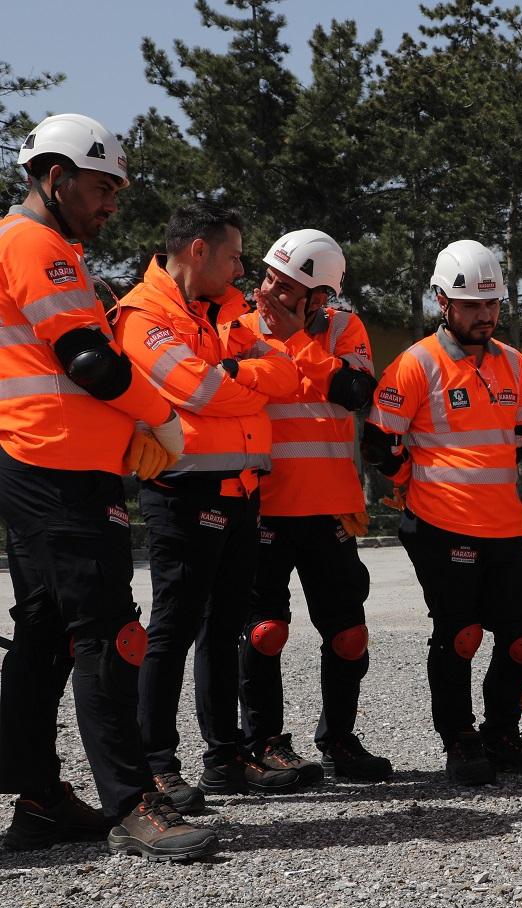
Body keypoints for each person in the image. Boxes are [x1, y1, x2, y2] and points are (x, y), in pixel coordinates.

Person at [0, 113, 216, 860]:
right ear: (55, 178)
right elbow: (88, 360)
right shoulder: (37, 245)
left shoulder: (42, 246)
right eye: (100, 188)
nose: (112, 205)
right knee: (111, 633)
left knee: (46, 633)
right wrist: (161, 417)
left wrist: (122, 434)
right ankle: (133, 802)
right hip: (55, 469)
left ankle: (39, 800)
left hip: (49, 461)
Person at [116, 201, 301, 810]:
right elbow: (195, 388)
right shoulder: (144, 314)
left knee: (223, 631)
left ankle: (224, 758)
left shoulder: (226, 312)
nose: (241, 269)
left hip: (241, 491)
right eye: (234, 256)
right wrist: (242, 380)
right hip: (183, 493)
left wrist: (231, 373)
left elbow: (287, 376)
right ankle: (155, 766)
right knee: (171, 631)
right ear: (198, 250)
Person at [363, 239, 522, 785]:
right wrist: (410, 480)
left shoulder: (514, 362)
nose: (485, 315)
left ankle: (502, 734)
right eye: (472, 305)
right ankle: (460, 739)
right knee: (461, 635)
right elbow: (378, 443)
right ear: (442, 302)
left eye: (492, 304)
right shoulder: (416, 363)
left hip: (505, 524)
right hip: (440, 525)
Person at [230, 229, 389, 783]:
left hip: (329, 507)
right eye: (268, 278)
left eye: (285, 286)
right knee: (264, 631)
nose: (267, 292)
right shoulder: (238, 328)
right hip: (261, 506)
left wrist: (297, 340)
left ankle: (339, 741)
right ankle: (263, 743)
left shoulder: (345, 329)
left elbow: (356, 394)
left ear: (320, 296)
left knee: (348, 635)